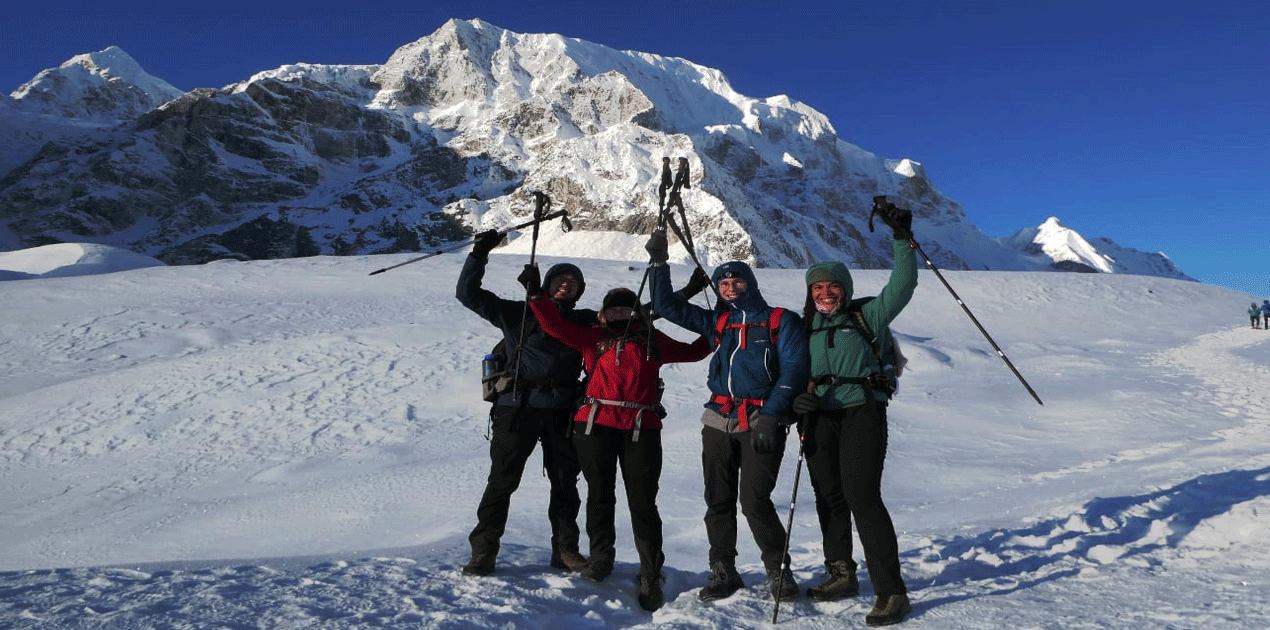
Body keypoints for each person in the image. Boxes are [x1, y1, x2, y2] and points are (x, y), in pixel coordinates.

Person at [643, 233, 811, 602]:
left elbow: (795, 370)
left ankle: (778, 571)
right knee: (717, 499)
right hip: (718, 419)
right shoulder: (718, 322)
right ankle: (723, 570)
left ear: (750, 284)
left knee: (755, 500)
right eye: (723, 282)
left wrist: (771, 415)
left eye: (736, 281)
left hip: (761, 420)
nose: (730, 286)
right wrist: (659, 265)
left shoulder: (780, 321)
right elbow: (667, 306)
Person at [528, 279, 711, 612]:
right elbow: (553, 326)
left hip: (641, 427)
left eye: (625, 309)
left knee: (642, 501)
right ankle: (601, 558)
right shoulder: (593, 338)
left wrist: (718, 324)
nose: (619, 314)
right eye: (612, 309)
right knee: (600, 494)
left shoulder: (654, 341)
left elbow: (696, 351)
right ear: (603, 314)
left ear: (636, 313)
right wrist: (537, 296)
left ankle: (650, 573)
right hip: (595, 424)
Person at [789, 203, 917, 626]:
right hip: (819, 417)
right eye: (817, 288)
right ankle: (841, 573)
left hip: (863, 411)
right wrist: (797, 402)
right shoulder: (804, 329)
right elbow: (790, 374)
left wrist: (901, 238)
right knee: (829, 496)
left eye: (832, 287)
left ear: (844, 288)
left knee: (862, 496)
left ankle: (891, 591)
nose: (825, 294)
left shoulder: (867, 316)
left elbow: (902, 285)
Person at [455, 229, 589, 577]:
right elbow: (467, 294)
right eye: (559, 280)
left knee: (565, 482)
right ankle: (483, 551)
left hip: (562, 410)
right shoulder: (517, 314)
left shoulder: (584, 320)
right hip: (517, 407)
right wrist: (479, 253)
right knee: (502, 480)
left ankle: (566, 550)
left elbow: (632, 315)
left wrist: (684, 293)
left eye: (573, 282)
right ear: (546, 284)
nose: (566, 285)